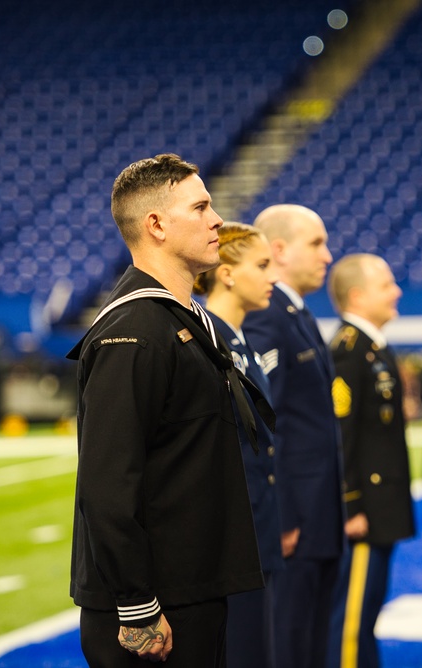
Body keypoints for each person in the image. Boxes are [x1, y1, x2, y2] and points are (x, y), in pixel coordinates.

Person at [66, 154, 270, 667]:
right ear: (155, 224)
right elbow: (107, 483)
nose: (217, 219)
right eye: (200, 207)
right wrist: (136, 606)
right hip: (157, 609)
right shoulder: (133, 331)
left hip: (191, 589)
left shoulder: (177, 318)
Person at [242, 203, 345, 668]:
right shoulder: (268, 316)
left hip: (318, 512)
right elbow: (267, 421)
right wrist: (281, 515)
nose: (327, 256)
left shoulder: (297, 314)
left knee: (314, 640)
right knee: (290, 640)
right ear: (279, 249)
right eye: (317, 243)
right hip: (296, 520)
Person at [194, 222, 283, 668]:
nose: (273, 277)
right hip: (230, 539)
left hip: (257, 528)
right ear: (226, 272)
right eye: (262, 265)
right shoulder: (206, 338)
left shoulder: (243, 340)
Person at [325, 254, 416, 668]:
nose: (396, 292)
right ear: (358, 297)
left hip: (382, 505)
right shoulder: (349, 351)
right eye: (386, 285)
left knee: (367, 616)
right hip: (365, 510)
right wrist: (352, 504)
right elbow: (341, 437)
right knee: (351, 623)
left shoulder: (373, 347)